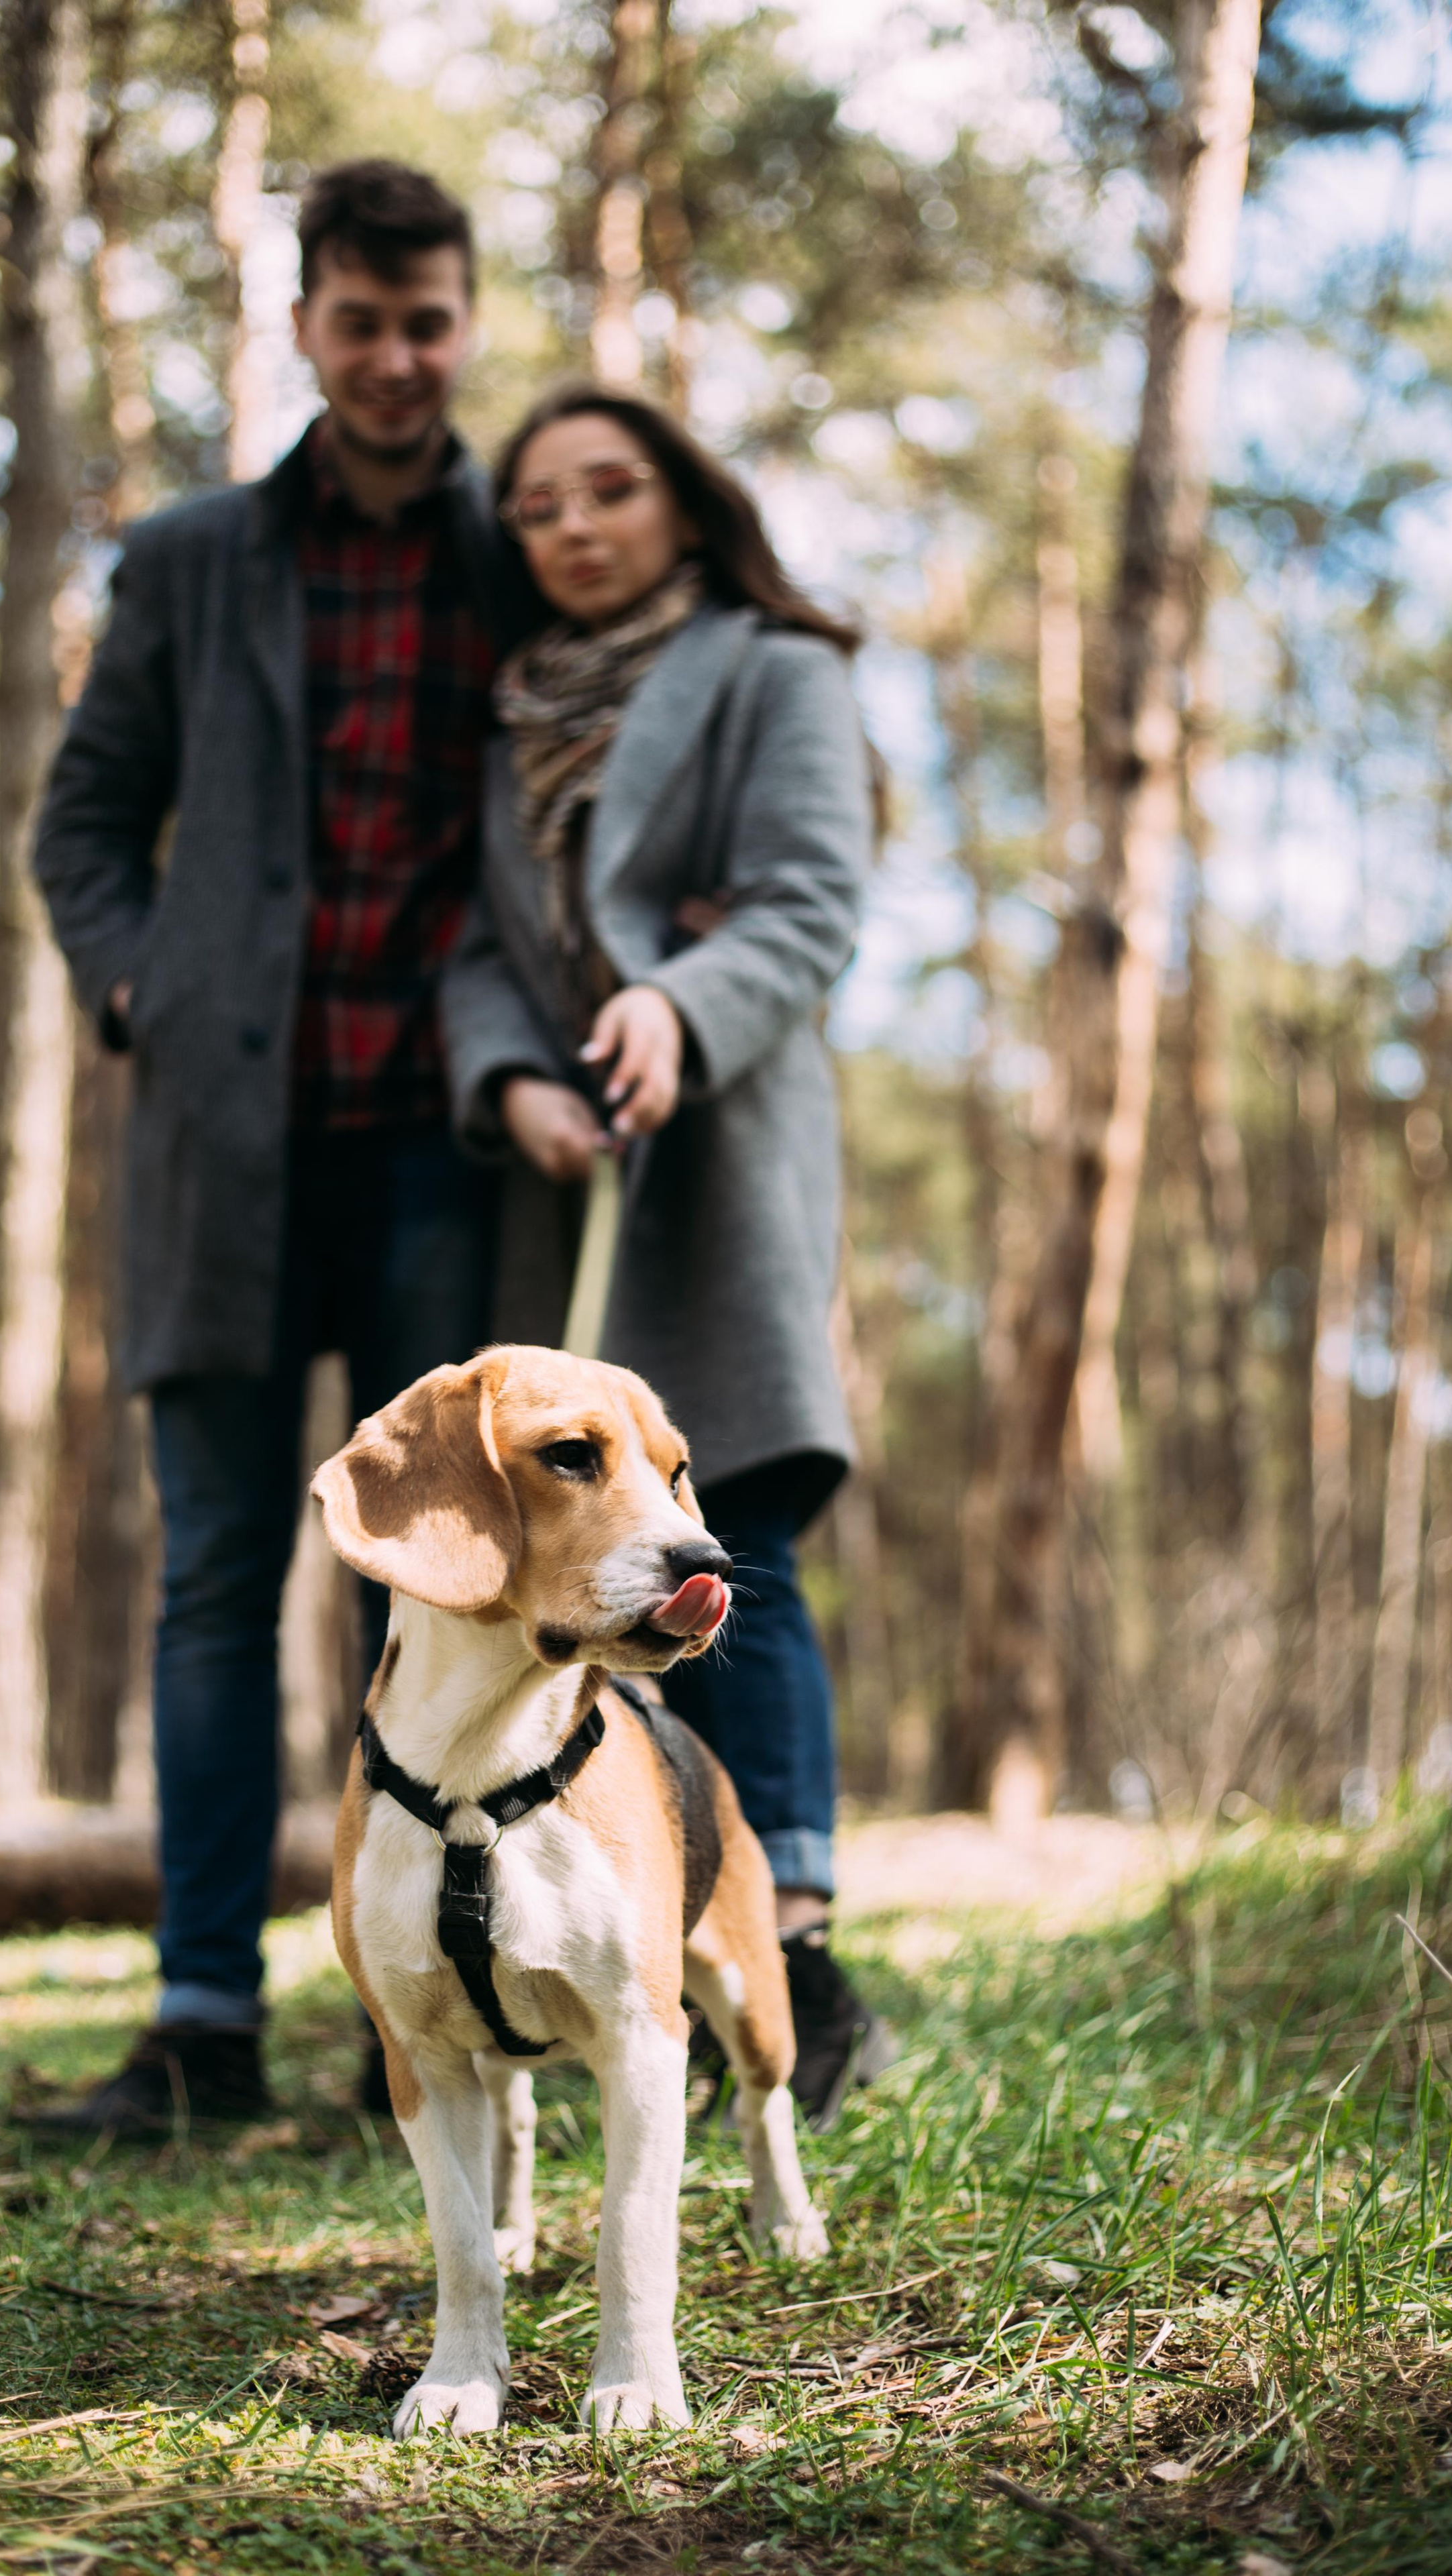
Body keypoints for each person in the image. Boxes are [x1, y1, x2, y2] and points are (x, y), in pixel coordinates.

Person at [24, 162, 533, 2140]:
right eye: (359, 322)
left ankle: (429, 2016)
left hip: (442, 1156)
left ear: (461, 322)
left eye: (428, 322)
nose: (396, 359)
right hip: (223, 1155)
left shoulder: (529, 544)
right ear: (306, 325)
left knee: (436, 1592)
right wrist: (142, 984)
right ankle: (201, 2024)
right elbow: (84, 827)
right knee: (222, 1576)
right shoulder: (191, 560)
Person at [440, 382, 892, 2126]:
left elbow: (806, 898)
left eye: (608, 491)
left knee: (729, 1533)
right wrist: (509, 1083)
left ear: (685, 508)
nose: (571, 526)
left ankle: (797, 1944)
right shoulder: (507, 719)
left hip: (723, 1163)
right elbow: (485, 951)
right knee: (551, 1558)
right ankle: (541, 1934)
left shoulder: (778, 670)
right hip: (565, 1179)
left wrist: (678, 1008)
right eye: (539, 507)